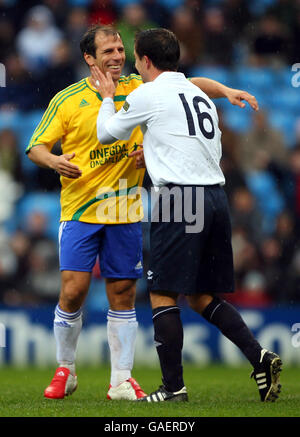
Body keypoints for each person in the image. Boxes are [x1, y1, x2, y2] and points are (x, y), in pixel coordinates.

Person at [26, 24, 260, 401]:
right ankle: (66, 369)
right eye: (109, 51)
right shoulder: (68, 100)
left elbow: (190, 83)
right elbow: (35, 146)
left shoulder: (141, 87)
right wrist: (54, 161)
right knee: (73, 290)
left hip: (127, 206)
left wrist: (226, 90)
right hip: (81, 209)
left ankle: (121, 379)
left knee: (122, 292)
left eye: (121, 49)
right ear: (90, 58)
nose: (118, 56)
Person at [95, 28, 282, 403]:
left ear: (145, 61)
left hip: (179, 199)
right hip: (215, 198)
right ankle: (258, 357)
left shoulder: (148, 93)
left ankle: (173, 388)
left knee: (163, 293)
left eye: (134, 55)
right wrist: (225, 91)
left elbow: (105, 133)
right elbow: (185, 111)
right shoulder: (194, 93)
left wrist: (108, 98)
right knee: (199, 296)